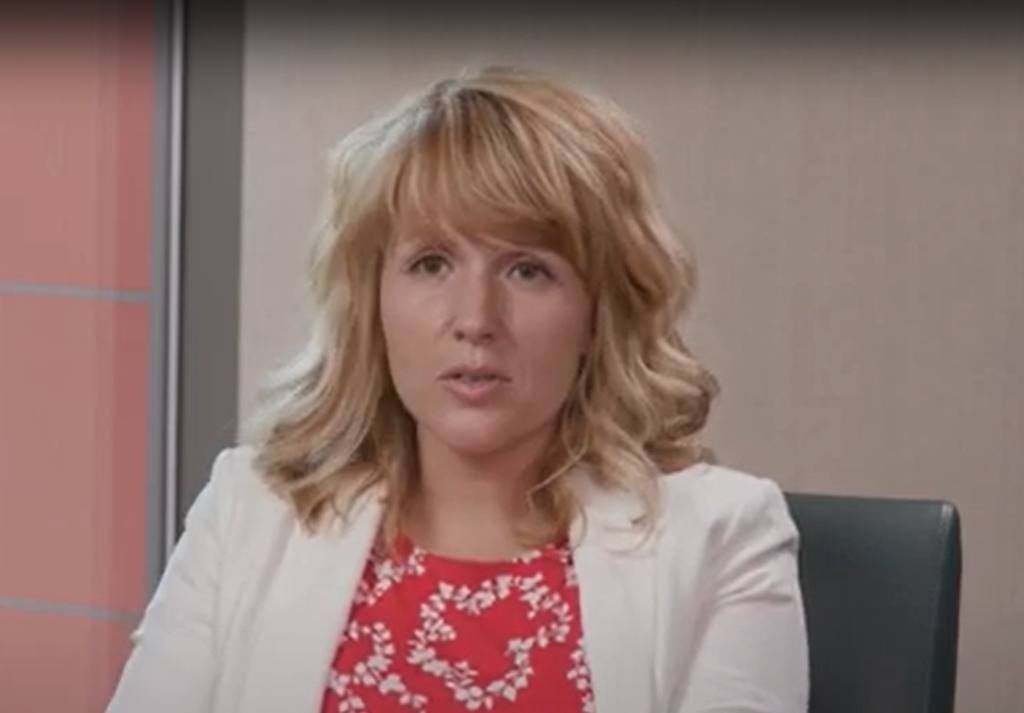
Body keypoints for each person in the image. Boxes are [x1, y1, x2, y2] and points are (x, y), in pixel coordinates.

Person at [105, 65, 808, 713]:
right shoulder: (249, 514)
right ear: (372, 301)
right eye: (432, 264)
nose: (475, 320)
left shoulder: (723, 539)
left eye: (528, 270)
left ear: (599, 313)